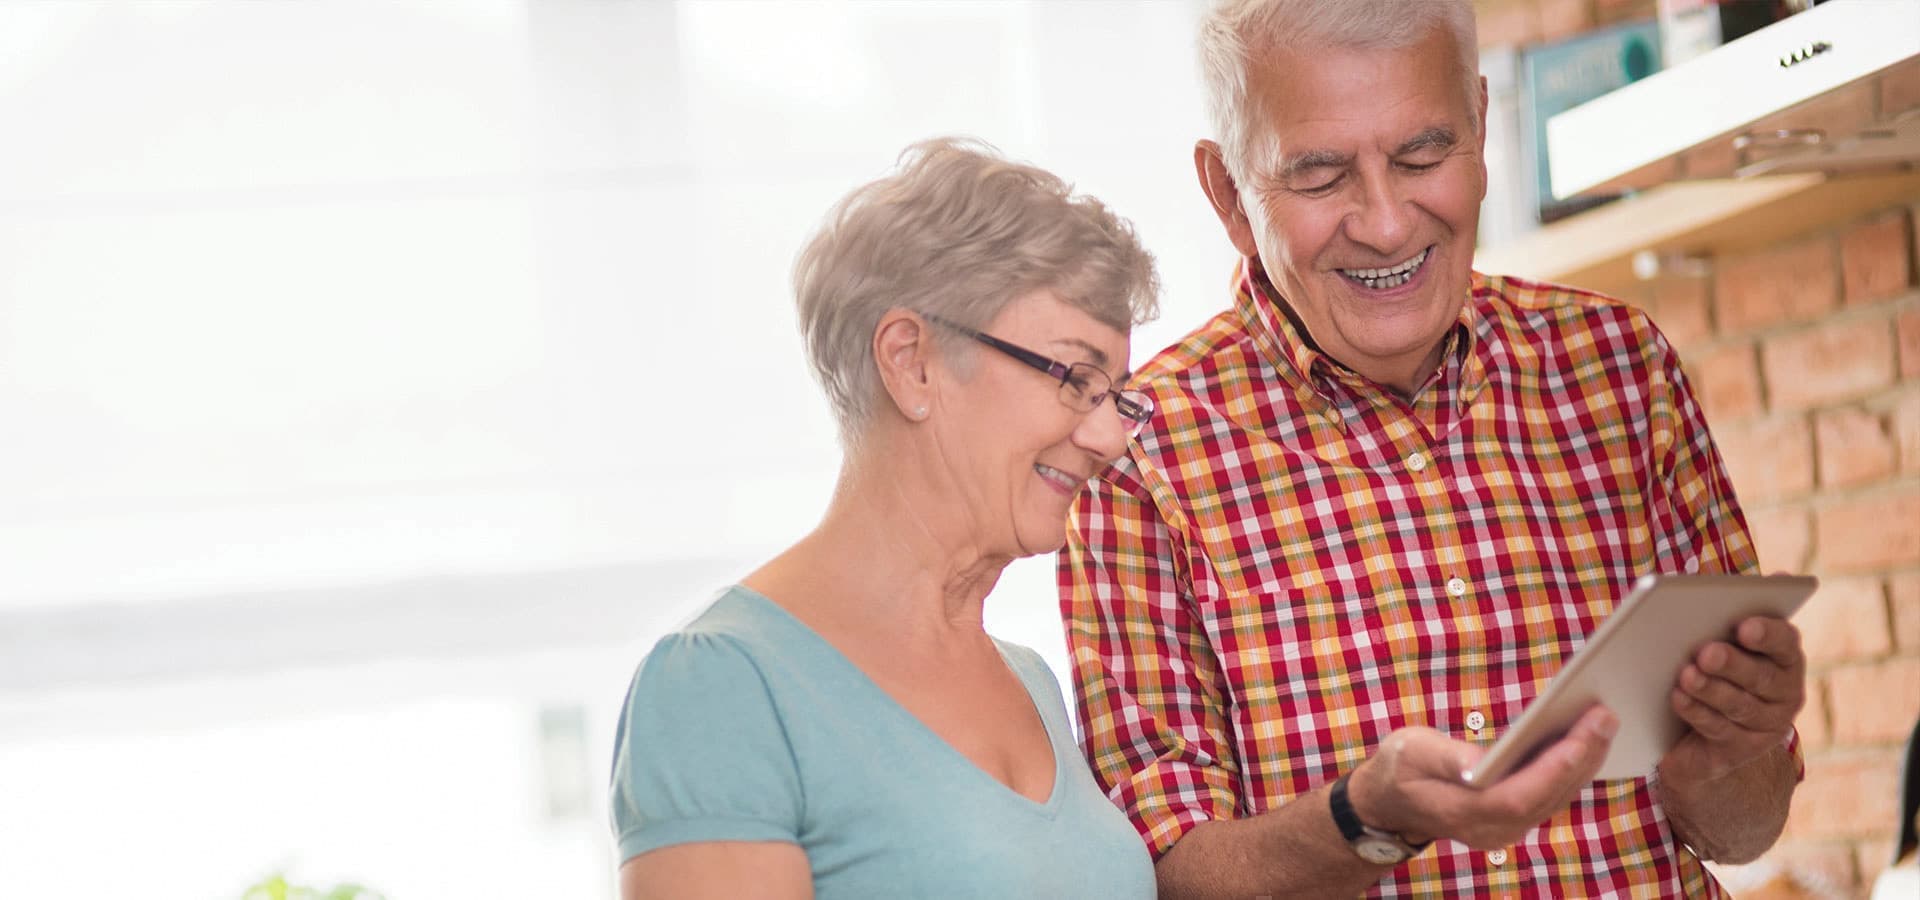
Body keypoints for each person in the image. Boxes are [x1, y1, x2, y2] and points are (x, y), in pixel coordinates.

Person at [1057, 1, 1807, 897]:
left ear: (1481, 127)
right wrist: (1364, 820)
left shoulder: (1619, 366)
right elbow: (1169, 880)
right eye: (1321, 175)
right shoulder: (1135, 456)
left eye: (1422, 156)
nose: (1385, 224)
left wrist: (1737, 747)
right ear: (1228, 193)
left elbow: (1742, 829)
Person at [609, 137, 1162, 899]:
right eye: (1075, 378)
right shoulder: (723, 682)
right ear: (911, 362)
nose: (1109, 438)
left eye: (1116, 396)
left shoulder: (1030, 682)